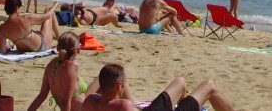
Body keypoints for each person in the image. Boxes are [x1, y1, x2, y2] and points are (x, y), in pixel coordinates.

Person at [81, 63, 236, 111]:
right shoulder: (124, 105)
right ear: (118, 86)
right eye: (123, 85)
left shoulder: (90, 101)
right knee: (209, 86)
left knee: (180, 82)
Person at [27, 31, 107, 111]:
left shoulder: (51, 64)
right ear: (78, 49)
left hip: (79, 103)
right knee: (110, 77)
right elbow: (65, 102)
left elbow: (42, 95)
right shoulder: (71, 66)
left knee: (104, 76)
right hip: (82, 108)